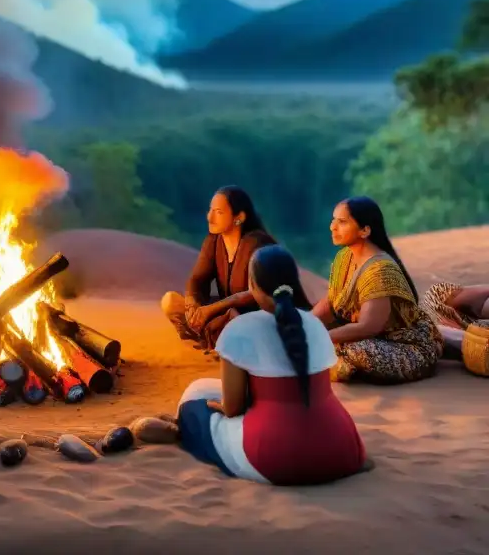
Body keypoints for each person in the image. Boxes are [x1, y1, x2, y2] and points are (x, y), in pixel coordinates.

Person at [176, 245, 368, 485]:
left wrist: (222, 406)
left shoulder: (240, 328)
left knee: (195, 400)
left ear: (253, 286)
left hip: (273, 457)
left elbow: (233, 408)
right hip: (340, 449)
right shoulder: (314, 324)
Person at [312, 197, 443, 384]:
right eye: (334, 220)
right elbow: (332, 302)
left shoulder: (380, 270)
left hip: (406, 347)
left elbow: (369, 327)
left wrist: (317, 337)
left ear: (365, 230)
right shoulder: (344, 257)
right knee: (323, 340)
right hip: (373, 339)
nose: (332, 227)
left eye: (342, 222)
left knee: (356, 350)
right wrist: (305, 325)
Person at [161, 186, 304, 349]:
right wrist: (192, 304)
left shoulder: (258, 244)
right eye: (211, 210)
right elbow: (197, 279)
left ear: (239, 217)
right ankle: (211, 339)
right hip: (226, 313)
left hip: (260, 317)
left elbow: (257, 293)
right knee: (170, 301)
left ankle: (229, 343)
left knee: (235, 319)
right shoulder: (213, 241)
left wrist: (211, 309)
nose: (210, 217)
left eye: (219, 212)